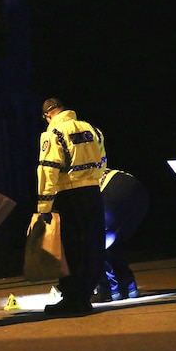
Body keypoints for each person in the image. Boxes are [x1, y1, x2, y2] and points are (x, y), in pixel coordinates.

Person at [36, 98, 107, 317]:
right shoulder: (92, 129)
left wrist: (44, 207)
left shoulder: (53, 133)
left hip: (69, 195)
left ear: (48, 115)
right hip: (93, 194)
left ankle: (72, 299)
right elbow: (103, 161)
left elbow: (48, 171)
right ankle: (85, 297)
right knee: (92, 246)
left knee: (72, 249)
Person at [94, 169, 149, 302]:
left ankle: (109, 289)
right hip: (137, 190)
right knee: (115, 242)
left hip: (111, 192)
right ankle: (129, 287)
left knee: (94, 243)